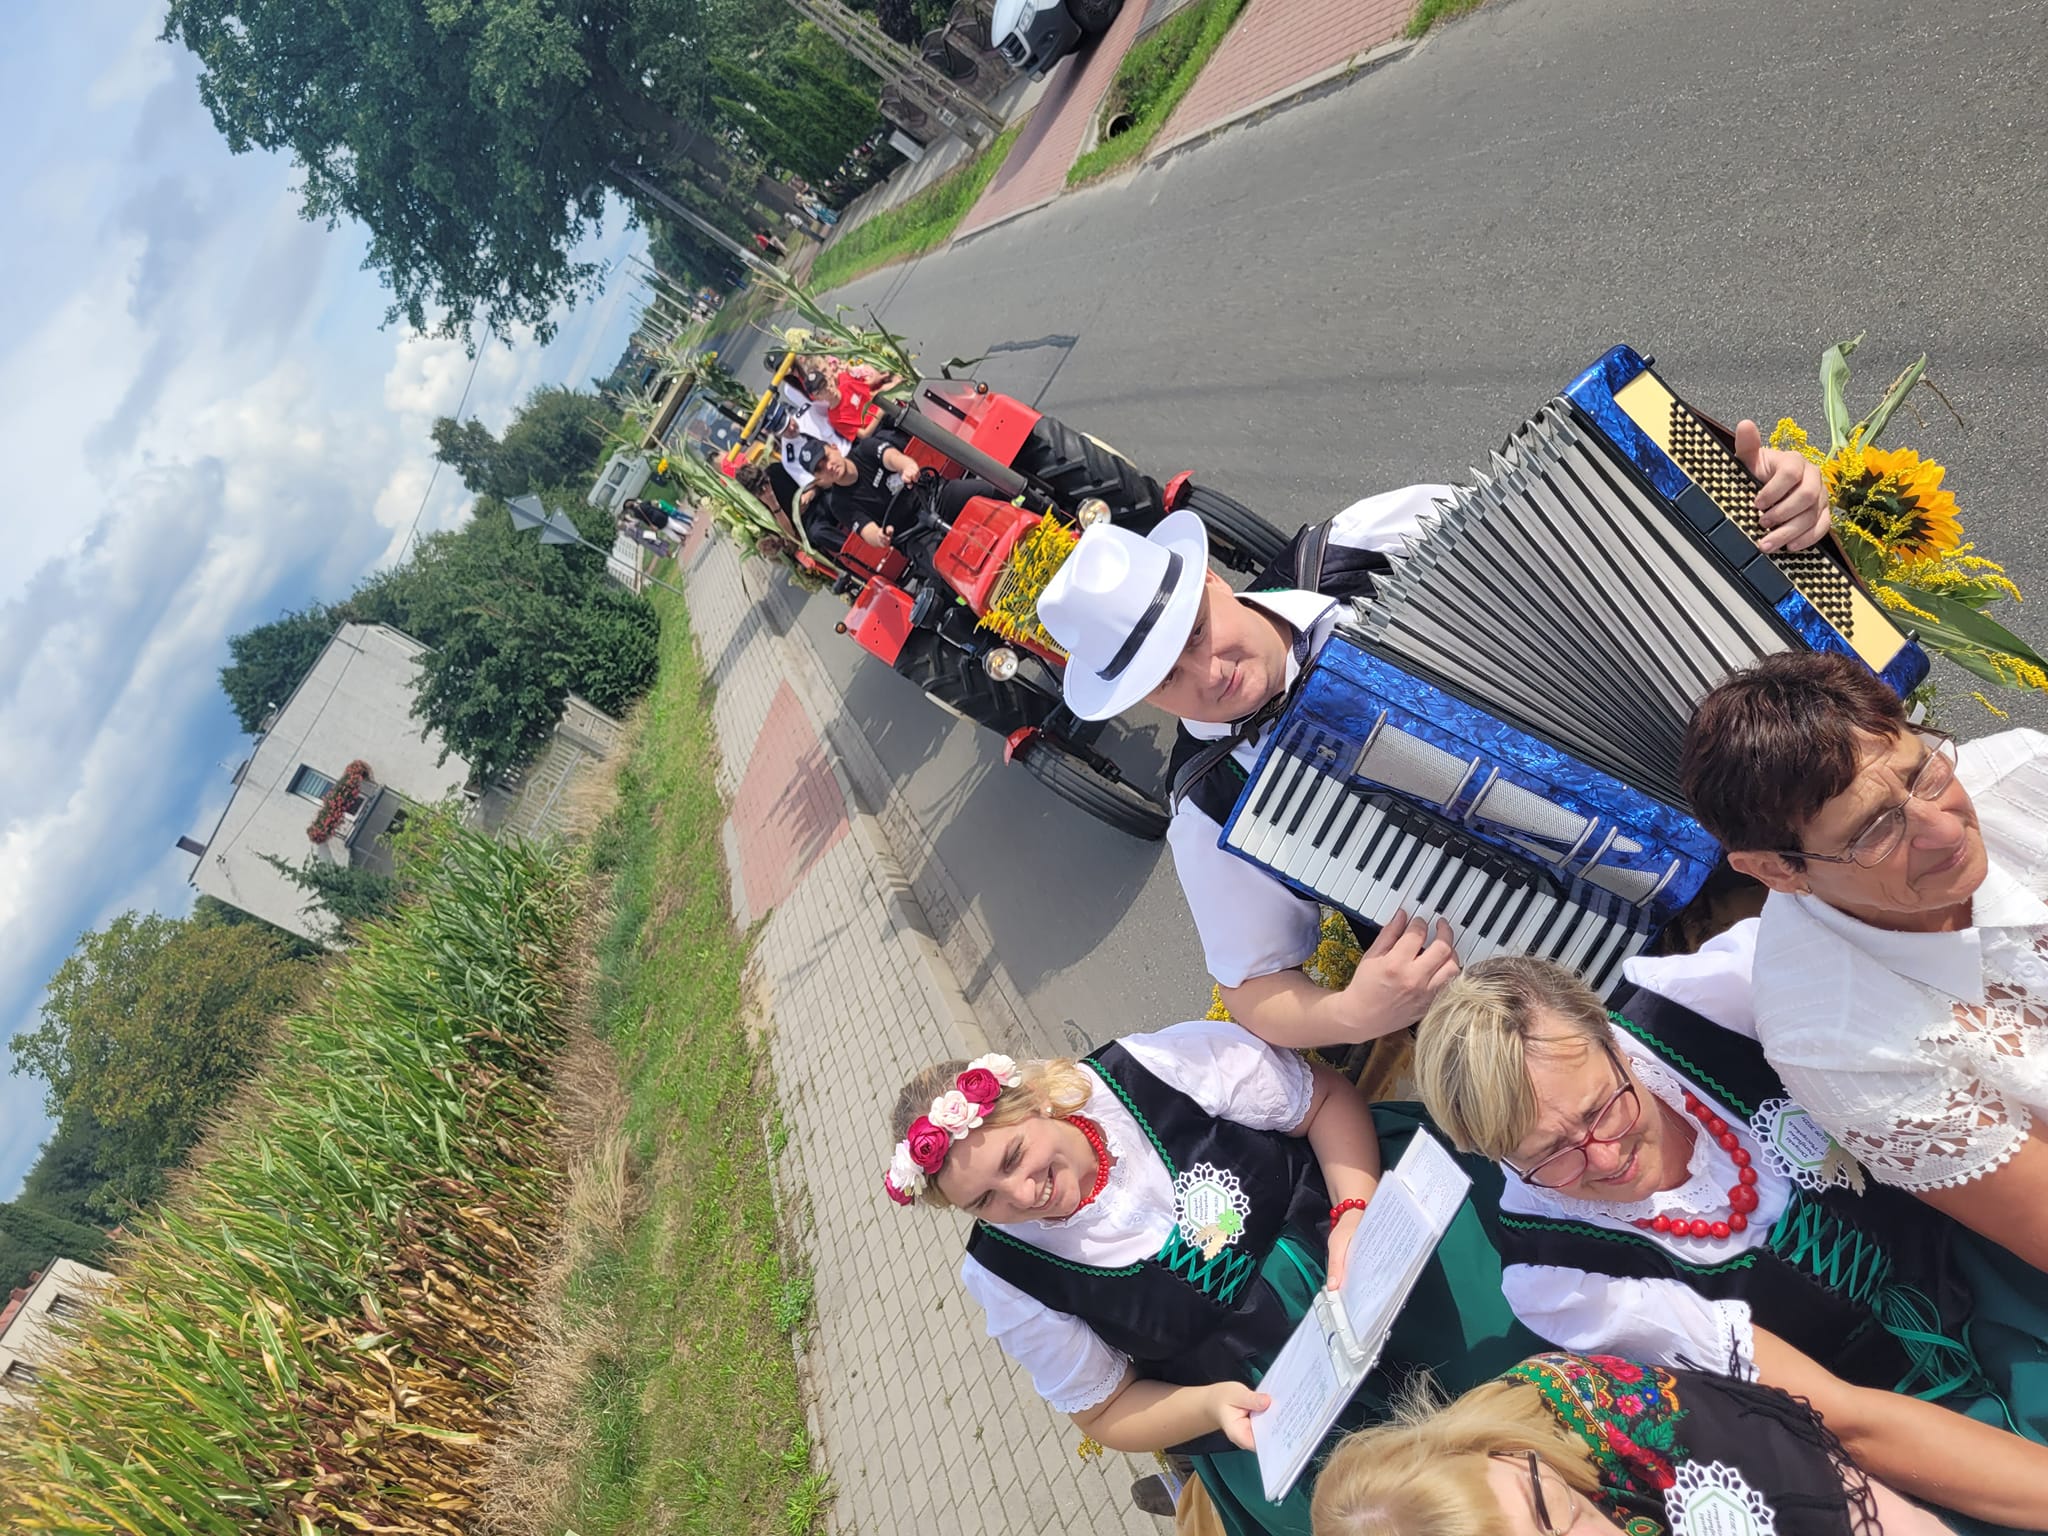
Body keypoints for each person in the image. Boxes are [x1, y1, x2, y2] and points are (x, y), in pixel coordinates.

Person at [1033, 421, 1835, 1060]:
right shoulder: (1210, 802)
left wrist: (1752, 501)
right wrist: (1351, 1013)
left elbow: (1592, 535)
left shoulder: (1362, 547)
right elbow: (1252, 987)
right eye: (1167, 678)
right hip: (1610, 959)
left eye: (1196, 634)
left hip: (1750, 778)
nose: (1208, 674)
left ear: (1211, 580)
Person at [1412, 942, 2048, 1533]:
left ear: (1609, 1038)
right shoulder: (1557, 1279)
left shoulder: (1703, 1002)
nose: (1605, 1157)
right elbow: (1848, 1420)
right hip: (1916, 1421)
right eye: (1551, 1155)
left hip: (2001, 1246)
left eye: (1600, 1109)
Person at [883, 1026, 1542, 1536]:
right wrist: (1209, 1410)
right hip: (1270, 1401)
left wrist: (1353, 1212)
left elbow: (1323, 1102)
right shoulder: (1004, 1274)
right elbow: (1105, 1410)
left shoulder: (1148, 1070)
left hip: (1368, 1256)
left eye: (1013, 1156)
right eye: (985, 1201)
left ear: (1034, 1100)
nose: (1023, 1195)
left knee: (1517, 1360)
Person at [1679, 651, 2048, 1276]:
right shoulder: (1834, 1041)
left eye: (1923, 774)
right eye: (1875, 830)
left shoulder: (2026, 773)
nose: (1943, 829)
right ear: (1775, 870)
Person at [1311, 1352, 1964, 1536]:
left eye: (1551, 1511)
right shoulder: (1518, 1473)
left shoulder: (1602, 1410)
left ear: (1498, 1452)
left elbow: (1837, 1500)